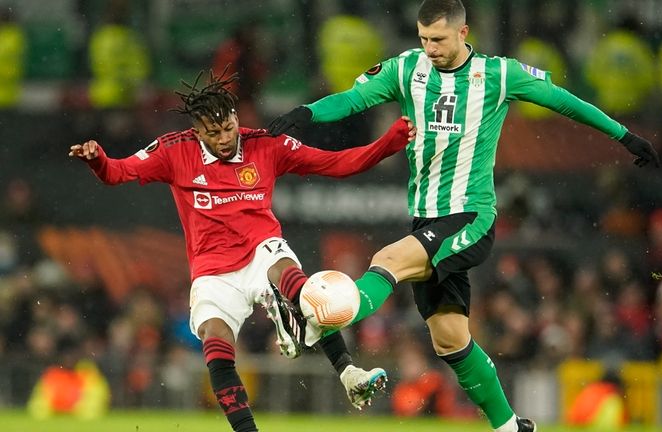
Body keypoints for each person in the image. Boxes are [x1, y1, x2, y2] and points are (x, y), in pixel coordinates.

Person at [268, 1, 659, 431]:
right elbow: (354, 99)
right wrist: (305, 115)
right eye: (423, 39)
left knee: (387, 261)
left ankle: (311, 315)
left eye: (438, 39)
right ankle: (510, 427)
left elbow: (564, 102)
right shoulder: (406, 70)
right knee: (450, 339)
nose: (430, 48)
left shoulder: (499, 74)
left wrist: (624, 136)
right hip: (425, 219)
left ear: (463, 32)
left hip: (469, 216)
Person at [69, 69, 415, 432]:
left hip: (261, 250)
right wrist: (98, 160)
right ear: (197, 131)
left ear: (237, 119)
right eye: (214, 133)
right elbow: (118, 172)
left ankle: (349, 372)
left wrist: (389, 143)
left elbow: (336, 163)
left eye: (229, 127)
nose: (225, 138)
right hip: (212, 271)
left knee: (293, 279)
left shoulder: (266, 144)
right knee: (216, 342)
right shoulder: (175, 150)